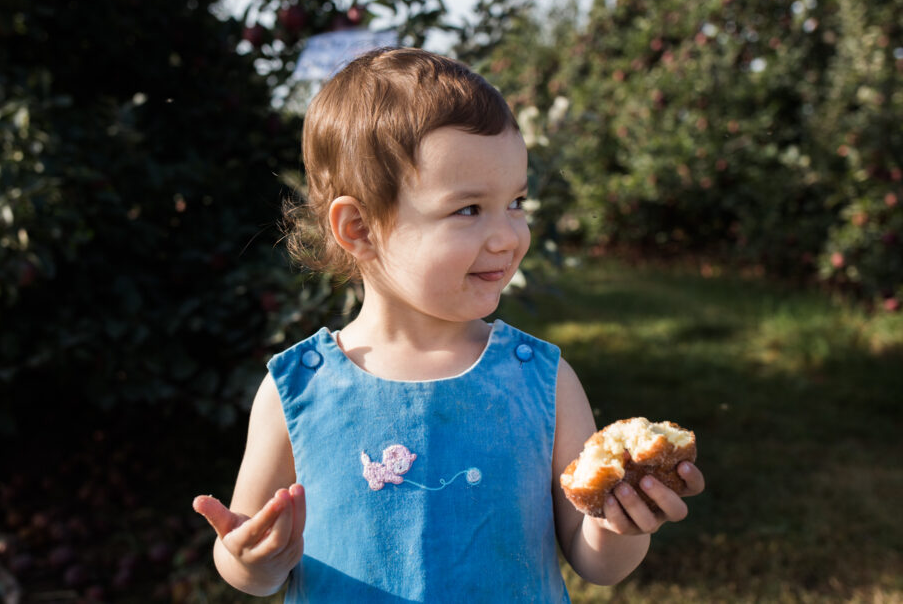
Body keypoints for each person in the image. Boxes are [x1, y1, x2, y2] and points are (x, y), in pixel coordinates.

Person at [192, 47, 705, 602]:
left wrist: (616, 525)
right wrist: (252, 560)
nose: (508, 236)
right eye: (469, 210)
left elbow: (593, 561)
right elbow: (250, 560)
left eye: (516, 202)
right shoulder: (299, 390)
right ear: (359, 227)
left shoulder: (542, 381)